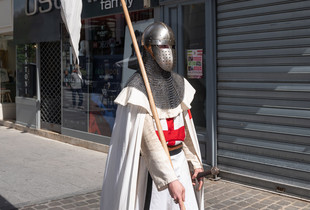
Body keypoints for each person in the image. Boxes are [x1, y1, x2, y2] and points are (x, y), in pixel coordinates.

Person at [100, 22, 204, 210]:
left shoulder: (179, 85)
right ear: (149, 50)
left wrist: (195, 163)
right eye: (162, 46)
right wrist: (170, 179)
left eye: (170, 46)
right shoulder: (137, 90)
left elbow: (185, 134)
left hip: (180, 165)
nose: (167, 51)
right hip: (152, 173)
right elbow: (149, 143)